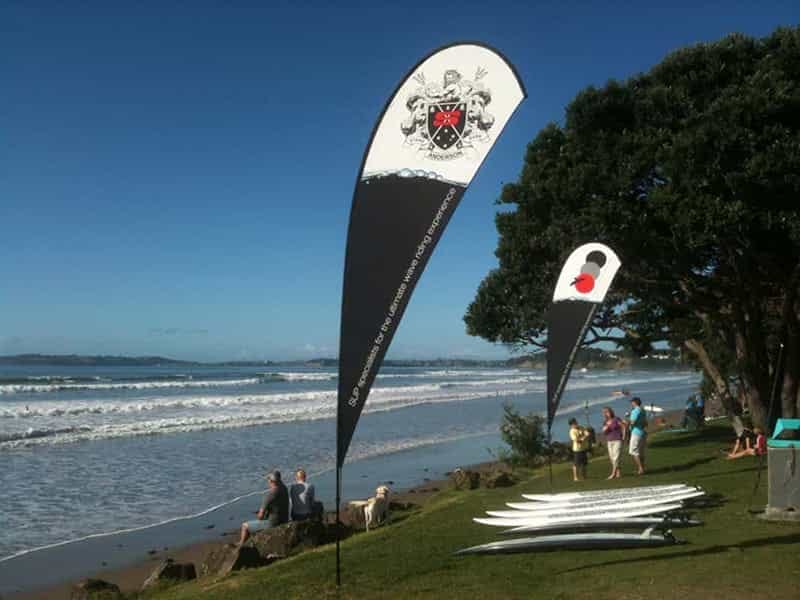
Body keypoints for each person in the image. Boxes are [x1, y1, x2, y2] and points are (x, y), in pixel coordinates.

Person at [239, 470, 289, 544]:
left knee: (245, 526)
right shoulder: (284, 488)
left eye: (268, 479)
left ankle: (241, 544)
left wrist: (260, 516)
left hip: (273, 523)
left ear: (270, 481)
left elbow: (260, 516)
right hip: (284, 519)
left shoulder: (270, 495)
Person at [601, 406, 626, 479]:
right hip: (609, 441)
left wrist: (624, 436)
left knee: (616, 457)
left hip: (617, 440)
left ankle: (613, 473)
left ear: (611, 412)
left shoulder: (616, 419)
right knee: (612, 458)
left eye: (607, 412)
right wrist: (605, 429)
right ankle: (618, 473)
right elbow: (604, 432)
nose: (606, 413)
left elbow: (623, 426)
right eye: (605, 412)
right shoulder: (605, 422)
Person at [628, 397, 648, 475]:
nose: (631, 404)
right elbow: (645, 423)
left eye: (632, 402)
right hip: (642, 432)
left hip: (636, 432)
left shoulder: (635, 410)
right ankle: (642, 468)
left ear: (634, 403)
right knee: (641, 452)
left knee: (633, 451)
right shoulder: (643, 410)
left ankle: (640, 468)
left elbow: (632, 422)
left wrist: (627, 420)